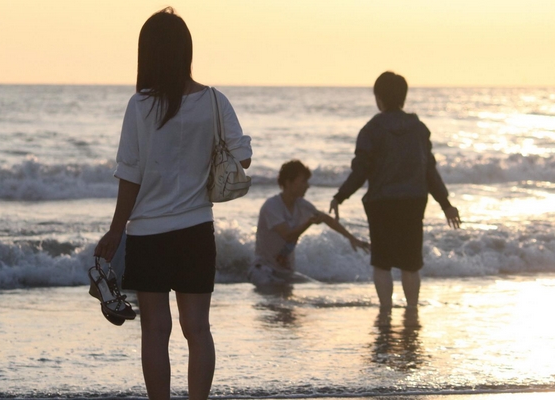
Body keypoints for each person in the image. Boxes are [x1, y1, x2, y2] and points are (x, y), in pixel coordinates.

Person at [94, 8, 252, 400]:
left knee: (155, 332)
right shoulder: (214, 100)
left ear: (147, 54)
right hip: (197, 228)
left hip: (148, 233)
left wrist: (116, 230)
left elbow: (130, 174)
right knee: (197, 329)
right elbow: (243, 157)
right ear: (186, 51)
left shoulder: (140, 106)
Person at [329, 71, 460, 311]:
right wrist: (446, 204)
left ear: (378, 97)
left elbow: (360, 171)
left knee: (382, 262)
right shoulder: (419, 129)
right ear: (404, 97)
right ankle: (412, 311)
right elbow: (429, 171)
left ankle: (386, 311)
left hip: (381, 203)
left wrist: (340, 196)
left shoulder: (371, 129)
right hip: (413, 201)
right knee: (411, 263)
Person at [249, 160, 369, 287]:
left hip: (286, 272)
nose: (307, 186)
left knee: (316, 286)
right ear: (288, 182)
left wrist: (352, 239)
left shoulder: (301, 204)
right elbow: (288, 236)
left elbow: (326, 219)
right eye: (303, 181)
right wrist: (309, 223)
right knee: (271, 292)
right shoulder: (272, 206)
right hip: (263, 270)